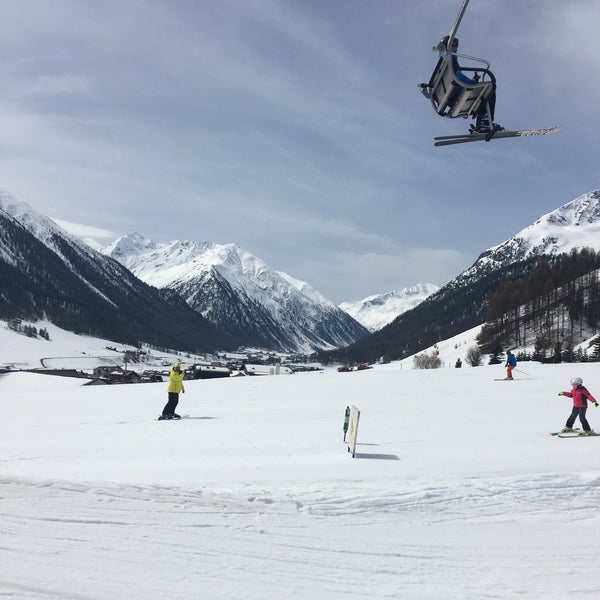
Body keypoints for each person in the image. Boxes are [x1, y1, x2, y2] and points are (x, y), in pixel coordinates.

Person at [440, 36, 502, 133]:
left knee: (482, 95)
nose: (455, 47)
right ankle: (484, 123)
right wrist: (473, 83)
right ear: (446, 46)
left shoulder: (442, 63)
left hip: (450, 99)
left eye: (456, 44)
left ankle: (482, 124)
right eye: (452, 44)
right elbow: (458, 76)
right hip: (457, 96)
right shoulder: (449, 60)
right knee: (490, 89)